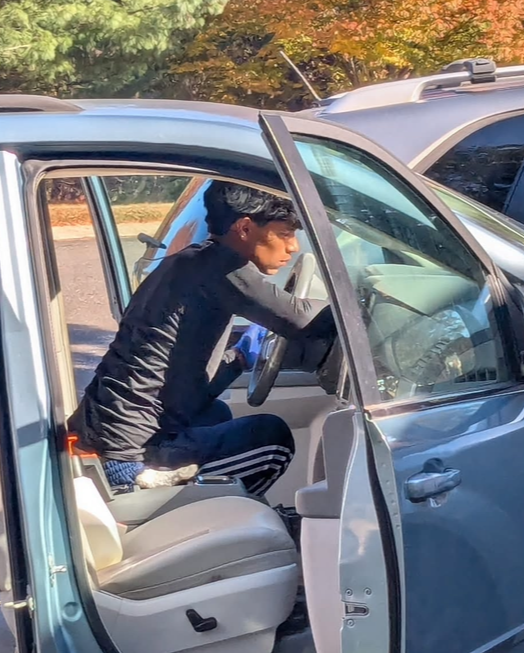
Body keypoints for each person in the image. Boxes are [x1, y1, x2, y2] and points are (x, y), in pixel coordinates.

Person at [74, 180, 335, 500]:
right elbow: (301, 318)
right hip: (131, 460)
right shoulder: (223, 268)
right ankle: (238, 524)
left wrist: (239, 359)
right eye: (285, 233)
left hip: (110, 443)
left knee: (217, 415)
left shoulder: (187, 263)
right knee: (273, 439)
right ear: (244, 228)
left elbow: (188, 387)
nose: (293, 247)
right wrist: (358, 308)